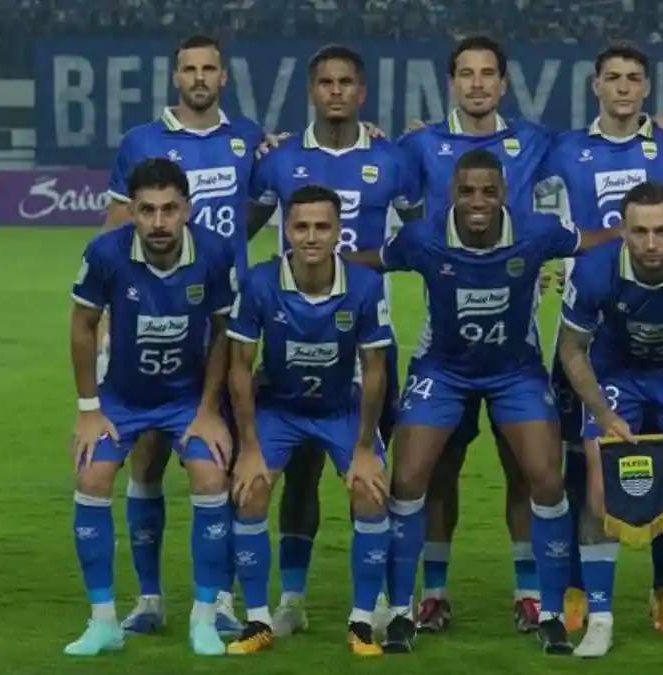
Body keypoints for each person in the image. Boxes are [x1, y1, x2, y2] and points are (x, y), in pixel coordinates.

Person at [364, 148, 621, 655]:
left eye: (488, 191)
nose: (477, 201)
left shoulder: (537, 231)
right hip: (442, 370)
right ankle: (406, 607)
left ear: (504, 193)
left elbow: (590, 240)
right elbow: (377, 258)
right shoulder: (423, 237)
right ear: (451, 194)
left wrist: (646, 233)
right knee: (410, 478)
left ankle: (545, 608)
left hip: (515, 372)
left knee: (545, 479)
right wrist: (313, 259)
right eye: (466, 191)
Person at [246, 44, 422, 636]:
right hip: (293, 335)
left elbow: (422, 240)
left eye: (347, 82)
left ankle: (381, 599)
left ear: (362, 91)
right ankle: (292, 600)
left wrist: (365, 264)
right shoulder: (279, 161)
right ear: (312, 92)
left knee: (372, 470)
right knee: (297, 473)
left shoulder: (392, 160)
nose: (337, 91)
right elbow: (237, 234)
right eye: (326, 82)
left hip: (367, 339)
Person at [101, 34, 264, 637]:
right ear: (176, 77)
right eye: (189, 68)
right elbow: (114, 233)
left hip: (227, 319)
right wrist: (111, 321)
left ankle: (217, 598)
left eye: (208, 68)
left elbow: (261, 204)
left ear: (224, 77)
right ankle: (149, 598)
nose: (199, 77)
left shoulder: (247, 138)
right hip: (153, 321)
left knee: (220, 455)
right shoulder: (141, 142)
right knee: (146, 456)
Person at [537, 42, 663, 635]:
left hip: (660, 328)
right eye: (613, 78)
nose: (623, 87)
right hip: (586, 327)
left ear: (647, 87)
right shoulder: (563, 149)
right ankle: (578, 584)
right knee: (583, 460)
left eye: (633, 78)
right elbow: (518, 191)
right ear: (595, 85)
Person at [65, 158, 238, 656]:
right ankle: (103, 622)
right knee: (92, 477)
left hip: (186, 398)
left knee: (211, 478)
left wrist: (209, 408)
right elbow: (82, 324)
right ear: (132, 212)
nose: (159, 222)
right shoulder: (105, 252)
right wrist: (88, 408)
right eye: (146, 210)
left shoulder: (214, 252)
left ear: (188, 209)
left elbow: (225, 332)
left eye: (169, 209)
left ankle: (204, 618)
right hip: (121, 397)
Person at [555, 182, 663, 657]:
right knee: (600, 488)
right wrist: (602, 413)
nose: (651, 244)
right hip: (617, 377)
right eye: (639, 232)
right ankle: (600, 620)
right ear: (622, 231)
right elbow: (571, 350)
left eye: (661, 231)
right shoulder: (594, 271)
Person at [223, 185, 394, 655]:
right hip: (280, 408)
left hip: (340, 408)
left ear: (338, 232)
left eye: (322, 227)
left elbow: (375, 371)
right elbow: (239, 366)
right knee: (251, 489)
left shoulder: (364, 285)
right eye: (301, 227)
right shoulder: (259, 283)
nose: (311, 236)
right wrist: (249, 447)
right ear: (286, 231)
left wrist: (364, 448)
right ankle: (258, 620)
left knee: (370, 490)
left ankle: (362, 621)